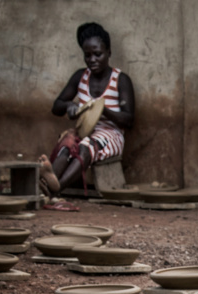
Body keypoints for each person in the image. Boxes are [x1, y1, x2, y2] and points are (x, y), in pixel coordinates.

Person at [40, 22, 135, 203]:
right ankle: (47, 183)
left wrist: (101, 110)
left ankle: (54, 190)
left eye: (98, 54)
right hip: (85, 130)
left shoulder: (121, 80)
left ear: (109, 52)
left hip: (112, 135)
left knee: (86, 146)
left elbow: (129, 120)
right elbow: (56, 107)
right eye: (87, 55)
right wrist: (70, 106)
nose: (92, 60)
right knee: (68, 141)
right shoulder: (80, 76)